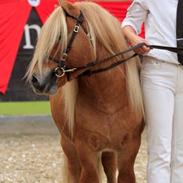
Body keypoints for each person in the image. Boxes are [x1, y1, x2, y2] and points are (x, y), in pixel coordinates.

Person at [122, 0, 183, 183]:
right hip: (159, 72)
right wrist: (135, 39)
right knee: (161, 150)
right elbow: (128, 24)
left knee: (181, 152)